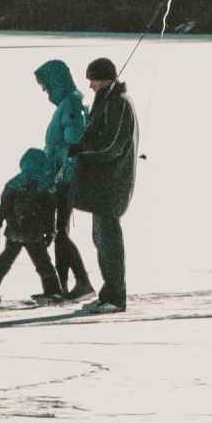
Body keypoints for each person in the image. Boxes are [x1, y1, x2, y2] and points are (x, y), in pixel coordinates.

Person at [71, 57, 139, 314]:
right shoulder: (106, 100)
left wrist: (83, 153)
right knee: (100, 239)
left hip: (113, 185)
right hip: (103, 185)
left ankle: (115, 297)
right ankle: (108, 293)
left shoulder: (119, 104)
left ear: (105, 78)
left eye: (92, 80)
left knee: (109, 242)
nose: (90, 85)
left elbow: (112, 146)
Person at [33, 59, 94, 301]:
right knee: (60, 231)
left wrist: (57, 167)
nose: (44, 91)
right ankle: (62, 286)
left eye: (46, 85)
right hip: (60, 175)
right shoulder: (69, 103)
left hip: (65, 177)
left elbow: (74, 140)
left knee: (60, 230)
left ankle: (82, 282)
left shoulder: (71, 104)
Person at [0, 148, 66, 303]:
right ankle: (53, 291)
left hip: (15, 231)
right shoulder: (45, 185)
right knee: (42, 263)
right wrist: (51, 231)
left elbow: (3, 207)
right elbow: (50, 211)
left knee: (4, 262)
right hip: (33, 233)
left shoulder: (14, 183)